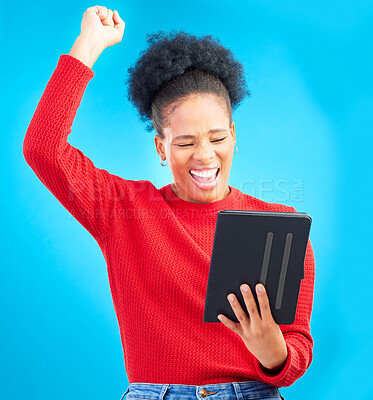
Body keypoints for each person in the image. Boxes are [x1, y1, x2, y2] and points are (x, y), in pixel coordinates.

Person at [23, 5, 315, 400]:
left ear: (233, 134)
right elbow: (43, 149)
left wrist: (272, 351)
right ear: (161, 147)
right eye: (185, 142)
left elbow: (297, 348)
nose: (205, 156)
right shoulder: (122, 210)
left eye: (216, 138)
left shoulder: (279, 225)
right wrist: (87, 46)